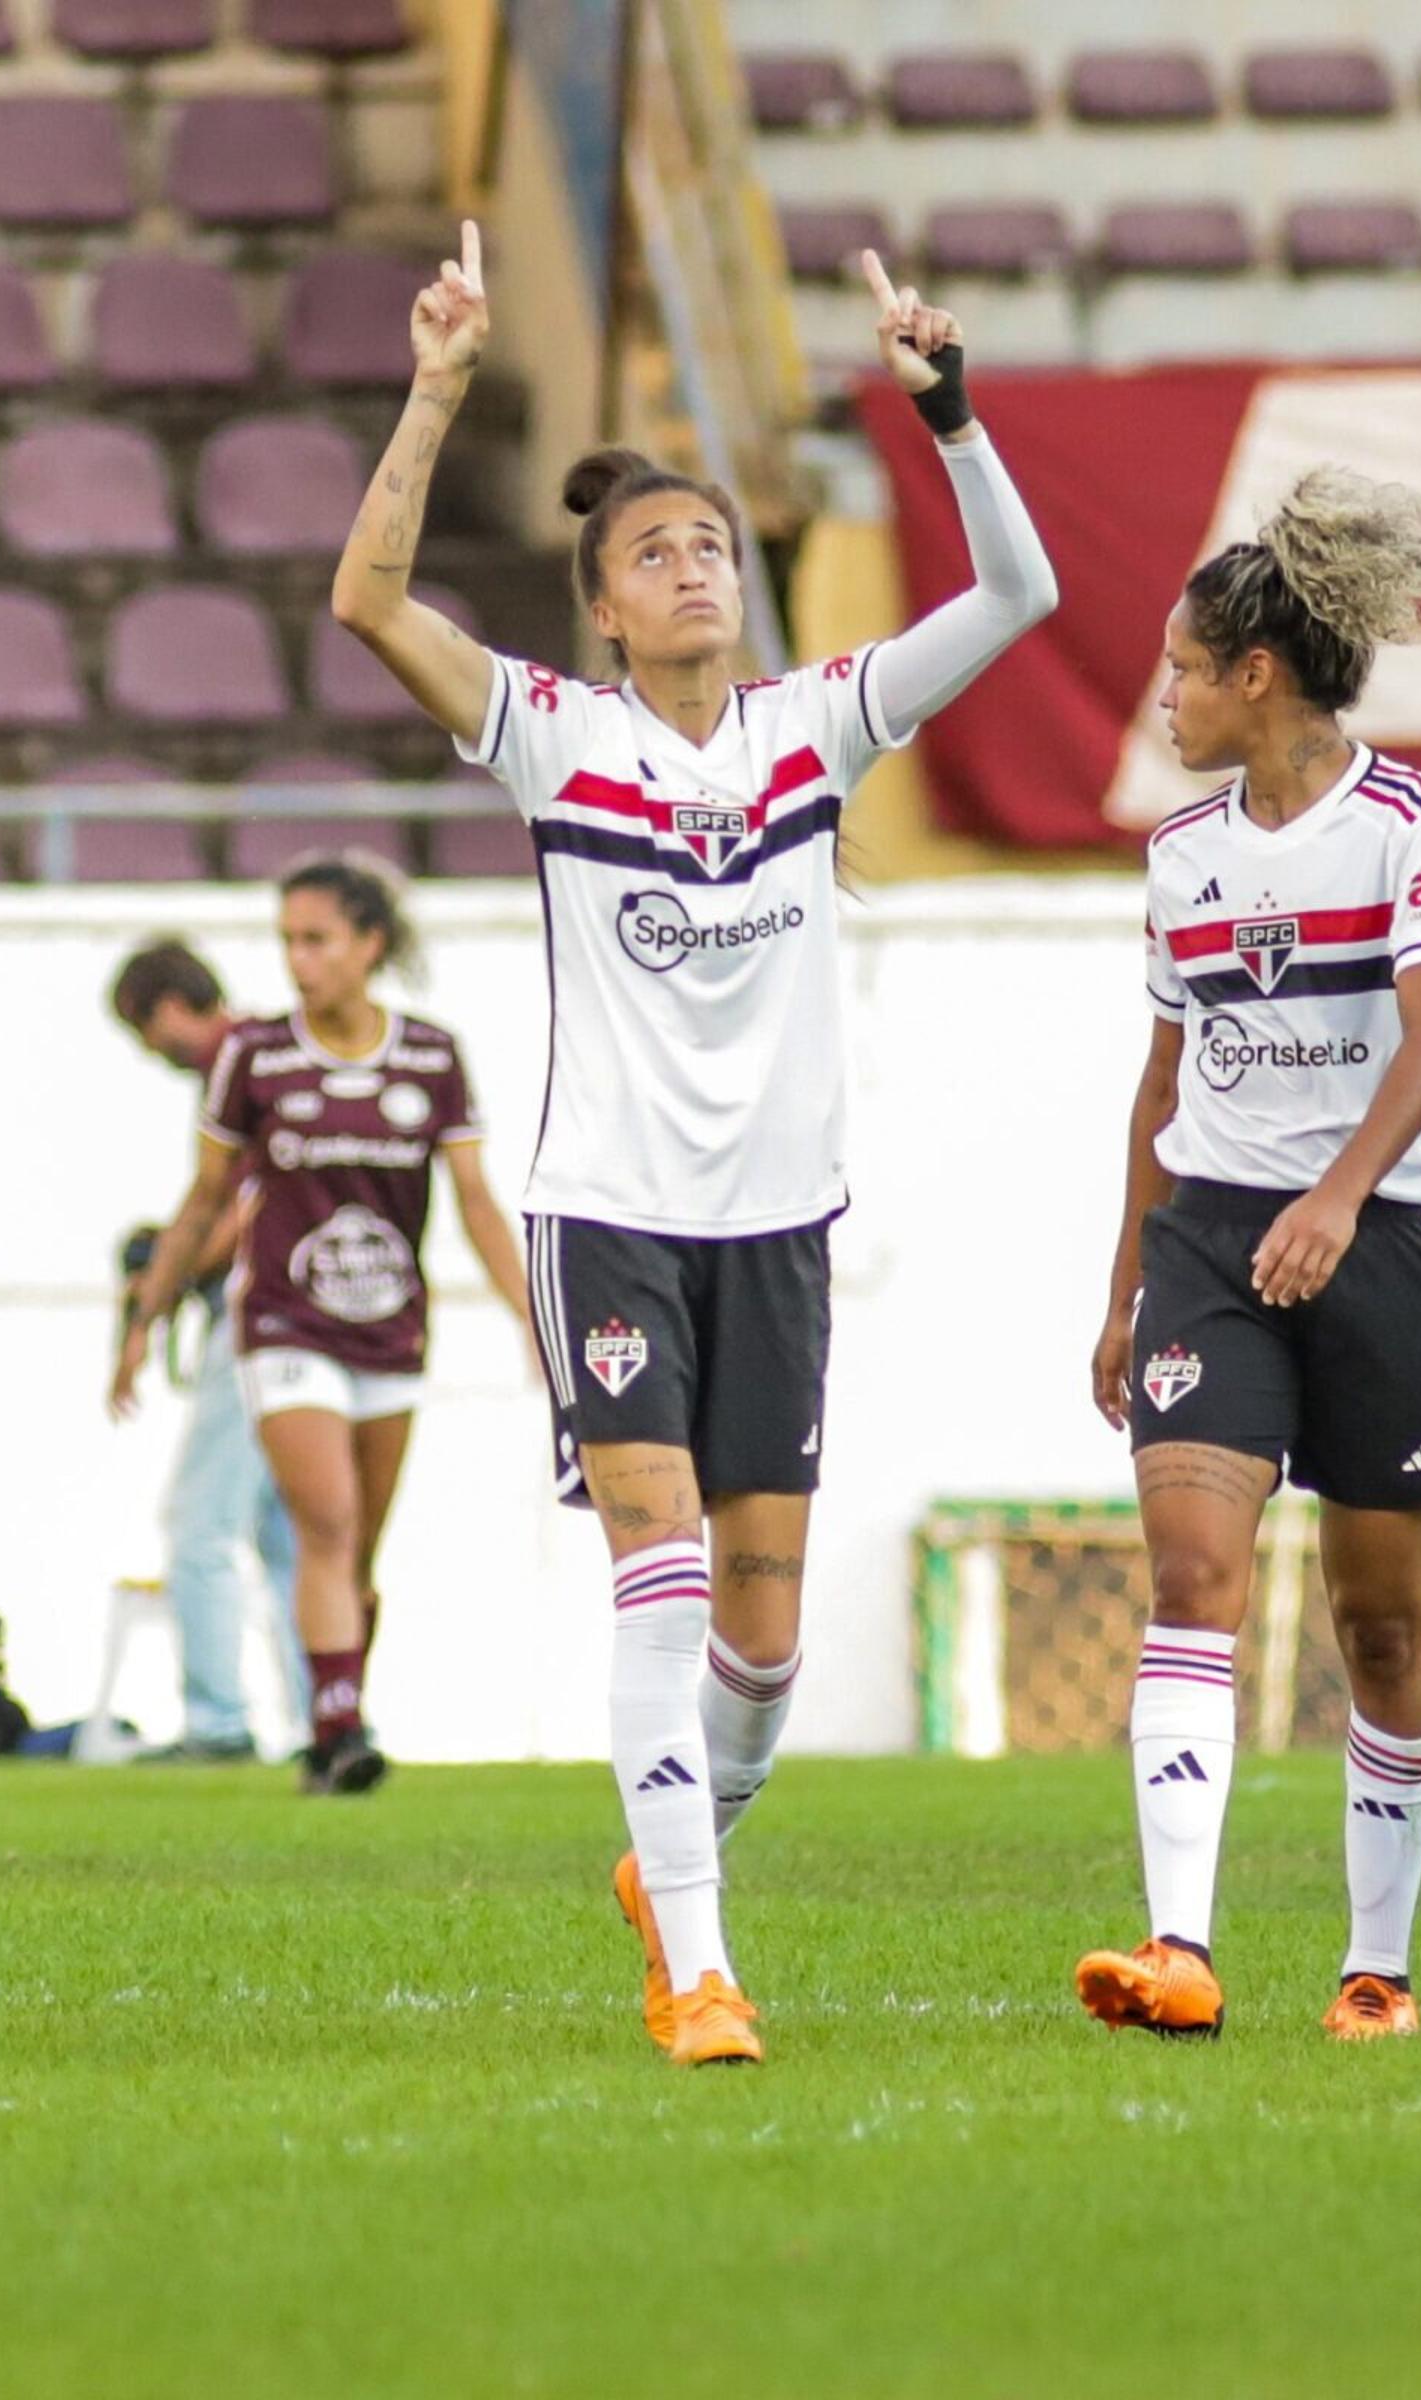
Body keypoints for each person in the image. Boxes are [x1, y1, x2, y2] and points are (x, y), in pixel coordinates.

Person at [329, 226, 1057, 2063]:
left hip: (782, 1225)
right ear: (603, 609)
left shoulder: (821, 728)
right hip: (614, 1217)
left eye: (714, 544)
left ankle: (676, 1870)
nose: (695, 565)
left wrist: (950, 413)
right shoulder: (557, 740)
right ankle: (702, 1974)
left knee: (767, 1639)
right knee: (654, 1569)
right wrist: (432, 390)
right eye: (656, 551)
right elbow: (368, 603)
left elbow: (1022, 598)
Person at [1076, 469, 1421, 2047]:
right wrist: (1125, 1282)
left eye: (1182, 666)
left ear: (1257, 675)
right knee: (1192, 1573)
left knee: (1379, 1622)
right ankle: (1176, 1948)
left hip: (1375, 1240)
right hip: (1212, 1248)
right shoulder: (1182, 858)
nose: (1164, 695)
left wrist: (1338, 1195)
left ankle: (1375, 1968)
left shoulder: (1415, 828)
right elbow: (1163, 1082)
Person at [112, 859, 531, 1793]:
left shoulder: (431, 1055)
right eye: (287, 941)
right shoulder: (255, 1058)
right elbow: (203, 1200)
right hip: (284, 1326)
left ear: (369, 946)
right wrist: (145, 1318)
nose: (298, 961)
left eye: (318, 940)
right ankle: (334, 1727)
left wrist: (528, 1314)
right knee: (325, 1522)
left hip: (389, 1330)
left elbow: (475, 1200)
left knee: (358, 1549)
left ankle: (337, 1710)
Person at [107, 938, 305, 1762]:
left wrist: (166, 1283)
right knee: (291, 1534)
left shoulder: (244, 1063)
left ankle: (218, 1723)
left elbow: (245, 1202)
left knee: (198, 1524)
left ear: (170, 1009)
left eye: (144, 1031)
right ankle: (321, 1717)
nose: (151, 1053)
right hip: (317, 1321)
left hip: (262, 1316)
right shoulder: (289, 1054)